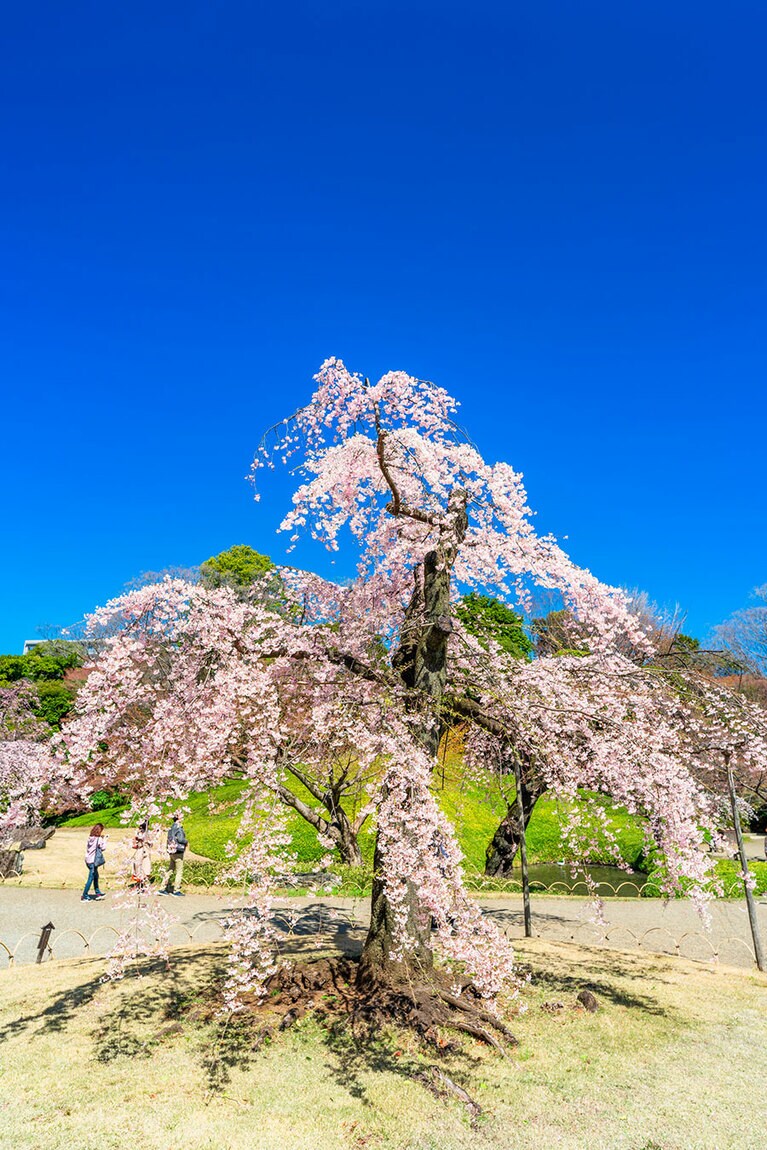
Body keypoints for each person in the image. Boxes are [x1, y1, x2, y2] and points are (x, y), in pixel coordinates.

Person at [158, 813, 188, 896]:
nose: (183, 818)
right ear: (178, 818)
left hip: (171, 851)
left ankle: (162, 888)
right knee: (179, 871)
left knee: (170, 870)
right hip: (178, 851)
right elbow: (181, 839)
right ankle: (176, 890)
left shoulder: (171, 828)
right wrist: (186, 841)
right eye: (181, 816)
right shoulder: (179, 828)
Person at [82, 823, 107, 901]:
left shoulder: (90, 838)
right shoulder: (99, 839)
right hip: (93, 861)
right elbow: (103, 848)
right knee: (91, 878)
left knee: (96, 876)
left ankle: (98, 892)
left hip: (88, 860)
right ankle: (84, 895)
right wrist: (105, 839)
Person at [129, 820, 154, 889]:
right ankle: (140, 882)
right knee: (140, 865)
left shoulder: (148, 833)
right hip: (141, 849)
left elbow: (151, 842)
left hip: (144, 849)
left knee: (143, 865)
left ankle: (142, 882)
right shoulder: (139, 832)